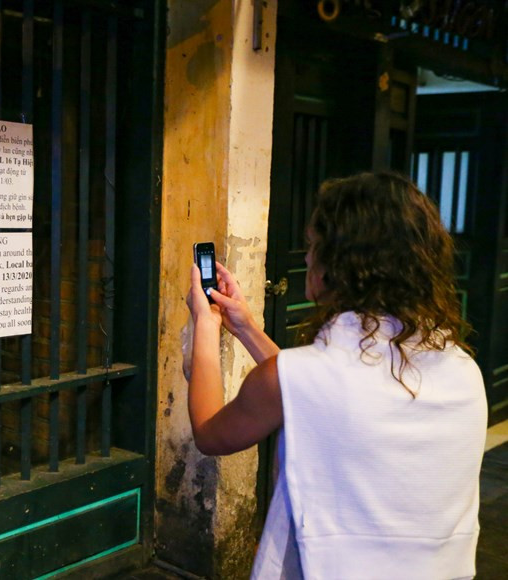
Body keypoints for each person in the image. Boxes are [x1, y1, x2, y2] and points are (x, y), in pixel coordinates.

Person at [185, 172, 487, 579]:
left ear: (338, 263)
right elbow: (320, 390)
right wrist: (244, 327)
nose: (308, 258)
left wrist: (205, 324)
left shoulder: (302, 376)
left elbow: (210, 431)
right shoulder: (462, 369)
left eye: (313, 246)